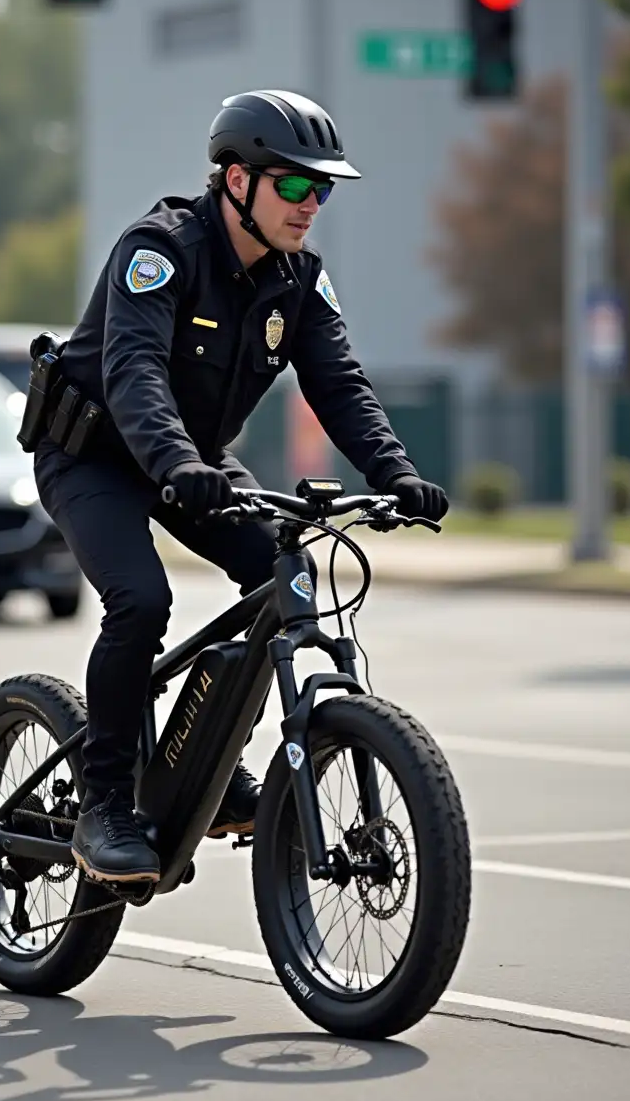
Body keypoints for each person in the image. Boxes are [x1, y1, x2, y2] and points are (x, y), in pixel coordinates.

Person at [34, 89, 448, 885]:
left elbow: (340, 385)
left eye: (320, 190)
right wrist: (177, 467)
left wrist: (394, 472)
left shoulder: (298, 281)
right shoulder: (157, 251)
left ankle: (211, 766)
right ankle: (107, 804)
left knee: (284, 575)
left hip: (193, 461)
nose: (309, 205)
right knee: (142, 602)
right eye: (293, 185)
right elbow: (134, 373)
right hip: (93, 456)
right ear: (234, 180)